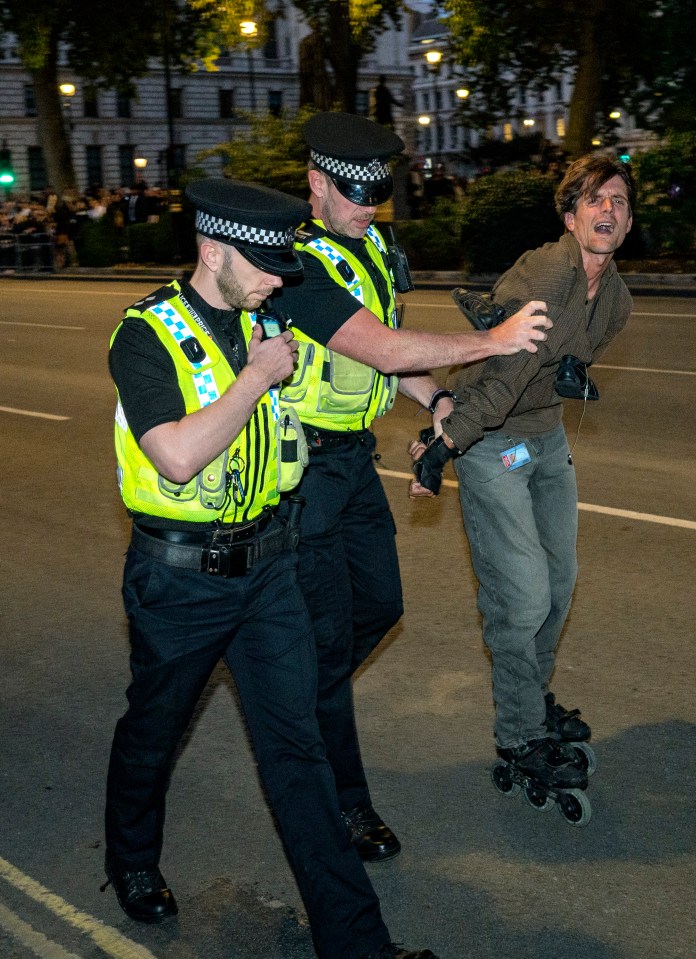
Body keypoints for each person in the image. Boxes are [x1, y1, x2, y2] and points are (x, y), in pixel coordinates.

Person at [103, 176, 439, 959]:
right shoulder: (144, 333)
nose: (276, 279)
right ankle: (131, 858)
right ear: (211, 249)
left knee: (298, 754)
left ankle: (358, 948)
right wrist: (256, 378)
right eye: (260, 264)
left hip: (268, 567)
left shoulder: (268, 312)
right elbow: (177, 456)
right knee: (154, 731)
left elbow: (373, 348)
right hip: (178, 580)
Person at [272, 111, 552, 862]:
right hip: (300, 472)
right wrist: (491, 341)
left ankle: (295, 681)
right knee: (329, 642)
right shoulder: (295, 263)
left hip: (353, 463)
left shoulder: (368, 248)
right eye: (353, 193)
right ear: (314, 184)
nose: (368, 206)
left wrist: (436, 399)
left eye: (376, 194)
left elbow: (391, 363)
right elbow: (379, 342)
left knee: (381, 607)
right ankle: (345, 805)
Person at [409, 155, 635, 807]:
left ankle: (530, 700)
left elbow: (561, 365)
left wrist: (567, 370)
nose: (605, 211)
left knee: (559, 581)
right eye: (592, 201)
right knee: (523, 593)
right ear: (570, 217)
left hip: (543, 435)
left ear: (626, 222)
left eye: (617, 202)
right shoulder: (547, 269)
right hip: (489, 437)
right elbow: (503, 374)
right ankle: (517, 734)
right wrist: (446, 441)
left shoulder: (614, 298)